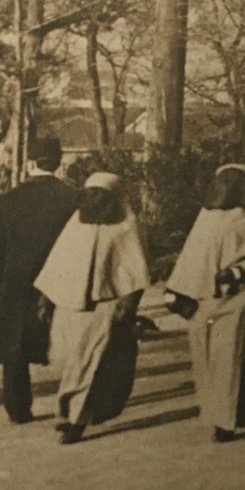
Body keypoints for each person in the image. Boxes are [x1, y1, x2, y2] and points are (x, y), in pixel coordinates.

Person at [34, 172, 151, 443]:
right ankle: (77, 409)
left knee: (89, 360)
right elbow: (58, 261)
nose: (94, 200)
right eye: (90, 194)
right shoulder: (76, 223)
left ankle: (76, 419)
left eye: (100, 195)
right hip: (69, 303)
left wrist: (129, 303)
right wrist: (46, 299)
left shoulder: (126, 226)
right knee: (69, 359)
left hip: (104, 303)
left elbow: (135, 268)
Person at [165, 164, 245, 444]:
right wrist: (177, 292)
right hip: (203, 299)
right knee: (205, 359)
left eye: (231, 182)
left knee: (233, 358)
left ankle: (226, 419)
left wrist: (237, 272)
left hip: (239, 297)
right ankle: (216, 412)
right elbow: (191, 256)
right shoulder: (206, 216)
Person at [0, 136, 80, 424]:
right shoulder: (74, 199)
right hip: (66, 278)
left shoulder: (5, 201)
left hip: (18, 280)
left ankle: (18, 408)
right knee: (73, 341)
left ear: (31, 163)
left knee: (15, 347)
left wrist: (8, 273)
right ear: (59, 162)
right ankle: (73, 403)